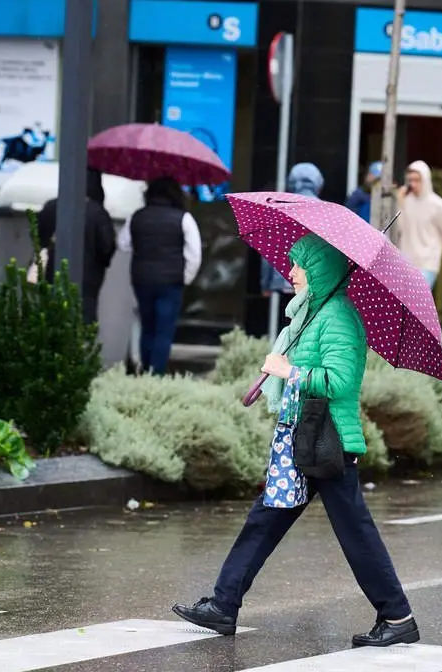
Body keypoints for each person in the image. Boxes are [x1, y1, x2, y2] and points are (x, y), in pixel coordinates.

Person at [172, 233, 419, 648]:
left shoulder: (339, 315)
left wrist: (289, 372)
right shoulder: (313, 312)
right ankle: (223, 603)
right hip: (300, 436)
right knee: (265, 518)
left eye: (299, 265)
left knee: (354, 532)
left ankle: (398, 617)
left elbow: (340, 382)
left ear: (320, 269)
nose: (290, 271)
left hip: (328, 441)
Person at [117, 176, 202, 375]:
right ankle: (156, 374)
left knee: (147, 326)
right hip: (171, 282)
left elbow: (123, 243)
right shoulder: (183, 218)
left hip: (141, 279)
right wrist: (185, 277)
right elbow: (194, 254)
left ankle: (145, 368)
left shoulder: (137, 216)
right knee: (164, 329)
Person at [35, 168, 116, 324]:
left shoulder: (51, 207)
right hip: (88, 278)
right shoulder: (98, 213)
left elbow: (39, 237)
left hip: (51, 273)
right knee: (83, 319)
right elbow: (106, 248)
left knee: (50, 318)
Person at [260, 163, 325, 316]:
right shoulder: (325, 211)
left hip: (285, 279)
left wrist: (266, 283)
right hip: (314, 281)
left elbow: (269, 249)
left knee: (285, 328)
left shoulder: (282, 209)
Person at [395, 160, 442, 288]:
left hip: (427, 262)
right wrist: (400, 204)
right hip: (406, 261)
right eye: (410, 180)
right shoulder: (406, 201)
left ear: (426, 180)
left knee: (417, 301)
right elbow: (401, 228)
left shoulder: (438, 205)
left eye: (417, 180)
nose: (413, 184)